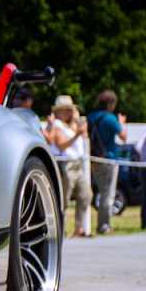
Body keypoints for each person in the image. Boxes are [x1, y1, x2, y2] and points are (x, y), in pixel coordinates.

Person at [46, 95, 93, 238]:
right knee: (64, 199)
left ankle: (80, 228)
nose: (70, 112)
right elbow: (61, 144)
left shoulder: (71, 125)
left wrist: (78, 122)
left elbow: (85, 137)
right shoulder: (57, 125)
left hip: (78, 164)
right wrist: (76, 135)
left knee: (85, 195)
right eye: (67, 110)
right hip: (66, 164)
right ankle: (61, 229)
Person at [87, 90, 127, 234]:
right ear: (111, 103)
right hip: (109, 158)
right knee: (108, 193)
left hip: (95, 159)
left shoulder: (91, 116)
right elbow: (123, 136)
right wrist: (121, 123)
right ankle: (104, 226)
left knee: (101, 191)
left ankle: (101, 224)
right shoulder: (110, 118)